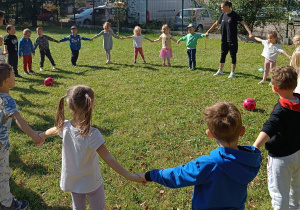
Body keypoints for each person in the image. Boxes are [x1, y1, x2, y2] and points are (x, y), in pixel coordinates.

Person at [138, 102, 262, 209]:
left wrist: (150, 175)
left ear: (210, 134)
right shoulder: (250, 160)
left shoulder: (207, 165)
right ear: (242, 131)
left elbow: (176, 176)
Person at [38, 85, 144, 209]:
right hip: (92, 183)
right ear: (91, 105)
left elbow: (53, 131)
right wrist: (130, 176)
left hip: (73, 182)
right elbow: (109, 158)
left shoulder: (65, 127)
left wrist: (41, 135)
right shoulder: (92, 134)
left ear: (69, 104)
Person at [253, 66, 300, 210]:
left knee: (279, 193)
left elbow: (268, 129)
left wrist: (254, 148)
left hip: (280, 159)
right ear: (296, 84)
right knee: (296, 187)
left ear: (274, 88)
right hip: (298, 153)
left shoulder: (281, 110)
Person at [0, 63, 43, 210]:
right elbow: (17, 118)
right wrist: (33, 134)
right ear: (6, 81)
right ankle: (8, 204)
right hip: (1, 146)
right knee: (3, 174)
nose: (14, 76)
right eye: (12, 74)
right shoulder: (7, 100)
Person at [205, 1, 254, 78]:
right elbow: (216, 24)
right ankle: (220, 70)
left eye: (222, 7)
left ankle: (232, 72)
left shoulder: (234, 15)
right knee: (223, 54)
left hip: (232, 39)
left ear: (227, 6)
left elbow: (243, 23)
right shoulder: (222, 15)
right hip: (224, 39)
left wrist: (249, 33)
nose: (221, 8)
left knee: (233, 55)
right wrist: (208, 31)